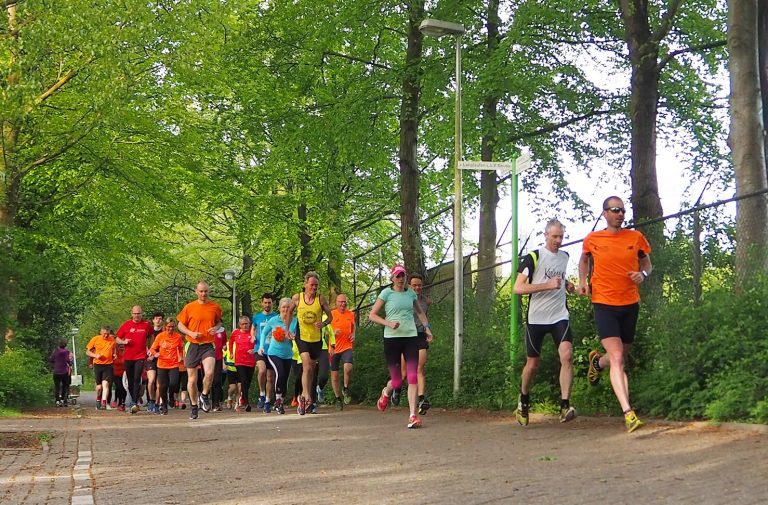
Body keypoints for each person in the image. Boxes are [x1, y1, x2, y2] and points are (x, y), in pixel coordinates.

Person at [578, 196, 652, 433]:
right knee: (618, 358)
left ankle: (598, 363)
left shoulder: (635, 237)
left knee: (618, 358)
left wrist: (644, 275)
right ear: (605, 214)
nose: (620, 214)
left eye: (622, 210)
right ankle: (628, 413)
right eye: (615, 210)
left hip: (630, 303)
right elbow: (584, 259)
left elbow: (647, 264)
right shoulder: (593, 239)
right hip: (604, 304)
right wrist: (582, 281)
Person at [513, 219, 577, 426]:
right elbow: (518, 288)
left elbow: (559, 278)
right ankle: (523, 399)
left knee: (567, 356)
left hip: (559, 315)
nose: (558, 241)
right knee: (532, 364)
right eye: (554, 236)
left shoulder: (565, 257)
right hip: (537, 318)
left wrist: (567, 285)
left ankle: (565, 405)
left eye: (561, 236)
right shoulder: (533, 257)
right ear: (546, 235)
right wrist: (547, 285)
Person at [368, 264, 433, 429]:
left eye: (402, 275)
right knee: (397, 381)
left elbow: (419, 313)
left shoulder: (410, 293)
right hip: (392, 339)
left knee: (412, 376)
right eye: (397, 276)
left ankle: (413, 415)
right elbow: (372, 315)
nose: (400, 278)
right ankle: (386, 392)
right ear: (392, 278)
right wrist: (388, 323)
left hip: (410, 337)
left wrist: (427, 328)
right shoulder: (386, 293)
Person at [177, 280, 223, 420]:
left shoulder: (214, 307)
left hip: (208, 345)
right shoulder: (189, 307)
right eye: (201, 291)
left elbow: (219, 322)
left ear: (209, 292)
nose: (203, 294)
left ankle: (204, 395)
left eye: (206, 291)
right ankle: (194, 406)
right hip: (193, 345)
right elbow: (180, 325)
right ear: (196, 292)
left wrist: (215, 328)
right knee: (192, 379)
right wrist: (190, 333)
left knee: (209, 373)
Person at [291, 271, 333, 415]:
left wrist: (324, 323)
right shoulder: (298, 298)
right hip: (301, 337)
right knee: (307, 366)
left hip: (316, 339)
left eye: (316, 285)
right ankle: (307, 397)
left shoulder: (321, 299)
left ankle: (303, 396)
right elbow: (289, 313)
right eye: (311, 285)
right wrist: (287, 330)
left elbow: (330, 316)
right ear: (305, 284)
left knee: (311, 370)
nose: (314, 288)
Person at [260, 298, 298, 415]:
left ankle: (280, 402)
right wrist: (261, 347)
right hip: (273, 353)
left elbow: (297, 336)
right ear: (279, 308)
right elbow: (264, 333)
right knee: (280, 373)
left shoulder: (294, 321)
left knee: (284, 379)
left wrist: (293, 337)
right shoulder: (273, 320)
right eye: (284, 307)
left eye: (288, 307)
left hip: (288, 354)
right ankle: (277, 399)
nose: (286, 309)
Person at [115, 306, 153, 414]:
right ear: (131, 313)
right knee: (130, 380)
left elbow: (151, 336)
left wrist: (150, 348)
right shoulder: (126, 324)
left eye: (139, 313)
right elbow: (117, 338)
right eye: (135, 313)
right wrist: (124, 342)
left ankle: (134, 403)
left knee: (137, 378)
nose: (137, 316)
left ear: (142, 314)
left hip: (140, 356)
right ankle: (132, 401)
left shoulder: (146, 325)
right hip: (128, 356)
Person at [408, 274, 432, 415]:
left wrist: (427, 330)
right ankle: (393, 390)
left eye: (419, 285)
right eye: (414, 285)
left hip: (420, 335)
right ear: (409, 286)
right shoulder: (404, 299)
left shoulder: (425, 301)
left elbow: (425, 314)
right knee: (404, 374)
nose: (417, 287)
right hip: (406, 336)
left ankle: (422, 399)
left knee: (419, 368)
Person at [150, 317, 184, 415]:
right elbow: (152, 349)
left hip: (173, 364)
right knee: (162, 386)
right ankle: (164, 405)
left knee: (173, 383)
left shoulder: (178, 337)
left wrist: (181, 356)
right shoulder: (160, 336)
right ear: (165, 327)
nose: (170, 329)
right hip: (162, 365)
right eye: (169, 327)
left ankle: (171, 397)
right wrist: (155, 354)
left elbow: (181, 348)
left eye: (173, 327)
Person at [251, 293, 277, 409]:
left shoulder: (276, 316)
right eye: (265, 302)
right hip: (259, 349)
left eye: (269, 303)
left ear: (272, 303)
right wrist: (252, 336)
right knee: (261, 371)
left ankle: (267, 400)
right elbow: (253, 329)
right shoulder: (257, 317)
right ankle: (261, 394)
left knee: (270, 377)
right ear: (262, 303)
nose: (267, 305)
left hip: (272, 350)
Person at [329, 293, 355, 408]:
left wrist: (353, 334)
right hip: (333, 349)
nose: (343, 304)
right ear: (336, 303)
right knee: (334, 376)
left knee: (348, 367)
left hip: (347, 346)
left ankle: (345, 388)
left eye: (344, 301)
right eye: (341, 302)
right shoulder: (331, 315)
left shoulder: (351, 314)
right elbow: (324, 331)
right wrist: (333, 333)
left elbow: (354, 326)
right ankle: (338, 398)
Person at [229, 316, 256, 412]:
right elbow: (231, 342)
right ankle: (246, 402)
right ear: (239, 325)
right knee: (243, 380)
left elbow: (258, 343)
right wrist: (231, 352)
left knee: (247, 382)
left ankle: (242, 398)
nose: (245, 326)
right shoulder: (235, 333)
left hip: (251, 361)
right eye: (243, 324)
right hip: (240, 361)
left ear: (249, 324)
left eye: (247, 324)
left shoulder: (253, 332)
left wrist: (254, 349)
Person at [85, 326, 116, 410]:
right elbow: (87, 352)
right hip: (98, 365)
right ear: (101, 332)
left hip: (108, 365)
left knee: (105, 384)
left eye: (108, 334)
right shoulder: (95, 339)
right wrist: (95, 355)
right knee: (99, 387)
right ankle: (98, 399)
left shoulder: (112, 340)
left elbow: (113, 350)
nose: (106, 335)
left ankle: (104, 402)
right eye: (104, 333)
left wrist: (114, 355)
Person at [144, 311, 164, 414]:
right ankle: (151, 400)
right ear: (153, 320)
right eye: (156, 318)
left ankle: (157, 403)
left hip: (162, 358)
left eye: (160, 318)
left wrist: (159, 354)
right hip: (150, 358)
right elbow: (146, 344)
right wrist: (150, 354)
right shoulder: (149, 331)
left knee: (159, 384)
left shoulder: (165, 331)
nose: (158, 320)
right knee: (151, 381)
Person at [50, 340, 73, 407]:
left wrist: (55, 365)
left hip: (56, 371)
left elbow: (51, 360)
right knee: (64, 386)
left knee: (57, 386)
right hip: (64, 372)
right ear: (65, 345)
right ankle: (63, 400)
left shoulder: (55, 351)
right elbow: (68, 360)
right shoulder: (66, 352)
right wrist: (70, 364)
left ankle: (57, 401)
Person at [212, 325, 228, 411]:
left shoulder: (222, 330)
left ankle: (216, 403)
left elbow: (224, 343)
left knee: (217, 381)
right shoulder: (206, 327)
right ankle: (205, 400)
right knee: (207, 380)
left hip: (218, 358)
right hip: (207, 358)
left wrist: (224, 347)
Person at [112, 343, 127, 411]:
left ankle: (122, 403)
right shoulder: (114, 352)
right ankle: (117, 401)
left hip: (125, 373)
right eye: (120, 345)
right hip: (116, 373)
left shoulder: (128, 352)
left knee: (124, 388)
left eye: (123, 346)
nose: (121, 347)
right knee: (119, 387)